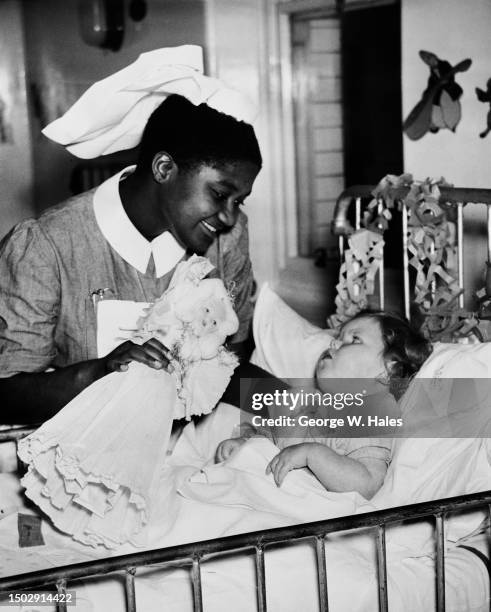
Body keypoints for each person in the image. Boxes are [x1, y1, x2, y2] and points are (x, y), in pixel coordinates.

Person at [0, 52, 262, 425]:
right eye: (220, 195)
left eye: (240, 201)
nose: (231, 216)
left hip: (192, 452)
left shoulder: (228, 238)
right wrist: (99, 374)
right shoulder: (48, 248)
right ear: (164, 168)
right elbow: (7, 392)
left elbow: (234, 364)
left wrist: (350, 412)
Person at [216, 310, 432, 500]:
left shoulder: (372, 406)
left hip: (311, 511)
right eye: (338, 337)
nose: (334, 343)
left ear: (388, 370)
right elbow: (271, 439)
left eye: (354, 339)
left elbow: (367, 485)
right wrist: (245, 445)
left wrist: (313, 454)